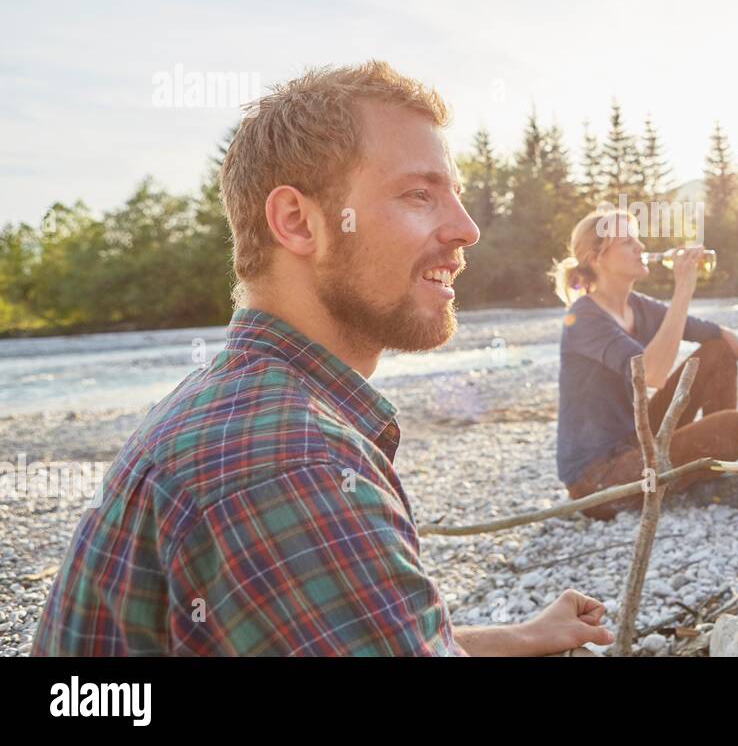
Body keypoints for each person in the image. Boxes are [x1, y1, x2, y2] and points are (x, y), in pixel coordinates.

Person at [33, 61, 613, 655]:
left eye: (455, 197)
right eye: (420, 194)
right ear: (297, 222)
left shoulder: (232, 402)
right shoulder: (290, 463)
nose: (467, 230)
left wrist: (522, 636)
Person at [553, 210, 738, 519]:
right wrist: (683, 289)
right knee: (737, 427)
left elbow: (722, 334)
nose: (641, 247)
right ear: (595, 258)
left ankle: (711, 475)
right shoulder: (584, 317)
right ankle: (701, 476)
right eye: (627, 242)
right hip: (596, 478)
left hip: (634, 441)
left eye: (637, 238)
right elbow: (651, 375)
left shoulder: (638, 305)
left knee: (718, 351)